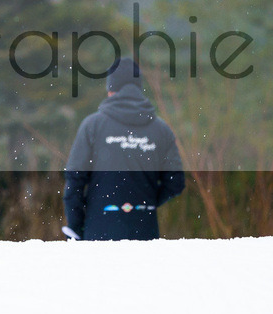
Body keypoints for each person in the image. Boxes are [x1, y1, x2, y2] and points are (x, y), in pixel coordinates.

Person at [62, 57, 185, 241]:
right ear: (139, 88)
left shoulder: (92, 126)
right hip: (145, 235)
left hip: (98, 235)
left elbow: (74, 183)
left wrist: (75, 228)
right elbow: (176, 182)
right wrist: (145, 203)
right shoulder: (161, 130)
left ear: (111, 89)